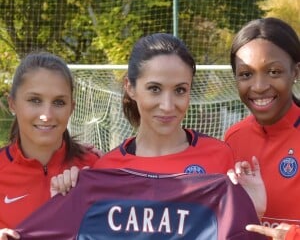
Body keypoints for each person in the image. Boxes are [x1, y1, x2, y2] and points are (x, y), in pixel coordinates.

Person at [93, 33, 266, 218]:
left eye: (180, 90)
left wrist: (253, 212)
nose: (168, 106)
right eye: (154, 89)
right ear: (130, 87)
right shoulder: (106, 169)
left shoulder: (219, 157)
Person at [0, 52, 100, 240]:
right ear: (12, 103)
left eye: (59, 102)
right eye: (35, 100)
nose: (47, 114)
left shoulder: (94, 167)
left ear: (72, 107)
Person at [224, 18, 300, 234]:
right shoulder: (233, 138)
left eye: (273, 72)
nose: (258, 87)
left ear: (295, 72)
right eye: (246, 74)